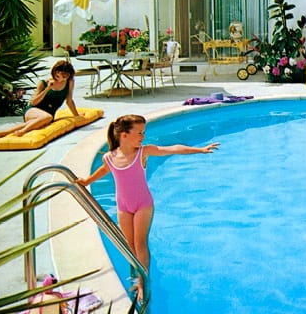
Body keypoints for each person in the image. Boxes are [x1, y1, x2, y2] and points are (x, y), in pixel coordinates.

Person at [75, 114, 220, 301]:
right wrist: (87, 181)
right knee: (130, 244)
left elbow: (172, 149)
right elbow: (104, 170)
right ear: (124, 135)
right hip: (123, 206)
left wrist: (199, 150)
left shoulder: (143, 152)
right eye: (139, 132)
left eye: (144, 132)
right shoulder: (109, 157)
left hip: (143, 205)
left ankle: (143, 283)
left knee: (140, 243)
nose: (143, 136)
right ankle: (135, 274)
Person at [0, 60, 80, 139]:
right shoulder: (43, 83)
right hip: (33, 111)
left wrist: (77, 116)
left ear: (68, 76)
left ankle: (5, 132)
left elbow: (69, 101)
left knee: (46, 118)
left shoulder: (69, 82)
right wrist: (48, 89)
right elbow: (33, 102)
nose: (60, 78)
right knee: (46, 117)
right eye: (57, 75)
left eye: (64, 77)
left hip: (47, 116)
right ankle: (23, 131)